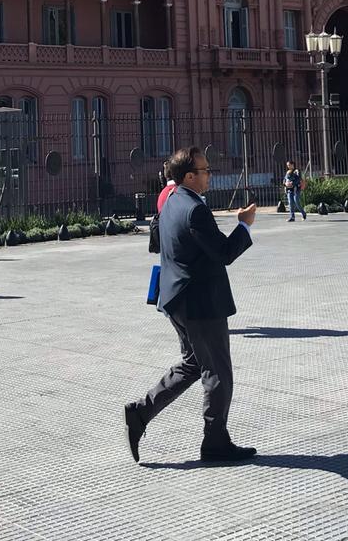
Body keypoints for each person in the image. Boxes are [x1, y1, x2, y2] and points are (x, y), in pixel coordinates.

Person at [125, 146, 256, 465]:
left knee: (193, 364)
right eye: (206, 170)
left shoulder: (171, 200)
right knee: (218, 372)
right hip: (200, 303)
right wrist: (244, 225)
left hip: (176, 299)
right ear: (189, 176)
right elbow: (224, 253)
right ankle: (215, 443)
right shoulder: (195, 209)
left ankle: (141, 413)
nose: (210, 174)